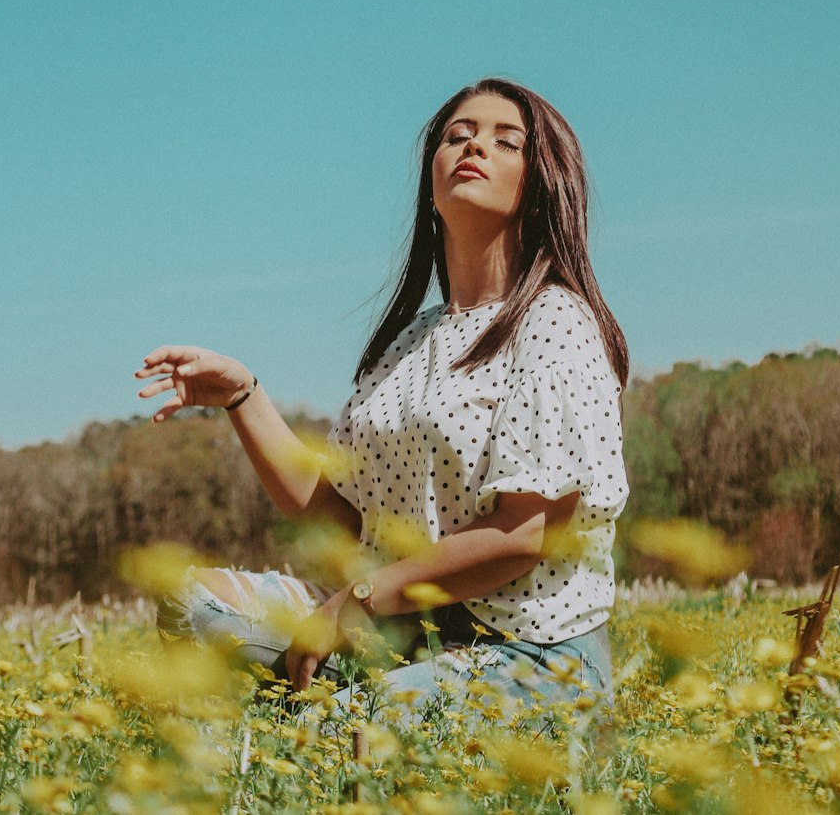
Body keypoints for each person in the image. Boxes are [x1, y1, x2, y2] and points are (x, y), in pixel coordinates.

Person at [135, 78, 629, 719]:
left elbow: (524, 531)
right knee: (193, 601)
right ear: (431, 178)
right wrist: (242, 397)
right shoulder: (411, 342)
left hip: (528, 653)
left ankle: (327, 716)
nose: (474, 146)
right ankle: (322, 710)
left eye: (506, 142)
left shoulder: (555, 322)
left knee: (334, 741)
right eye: (457, 136)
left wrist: (358, 600)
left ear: (542, 187)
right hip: (407, 633)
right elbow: (342, 511)